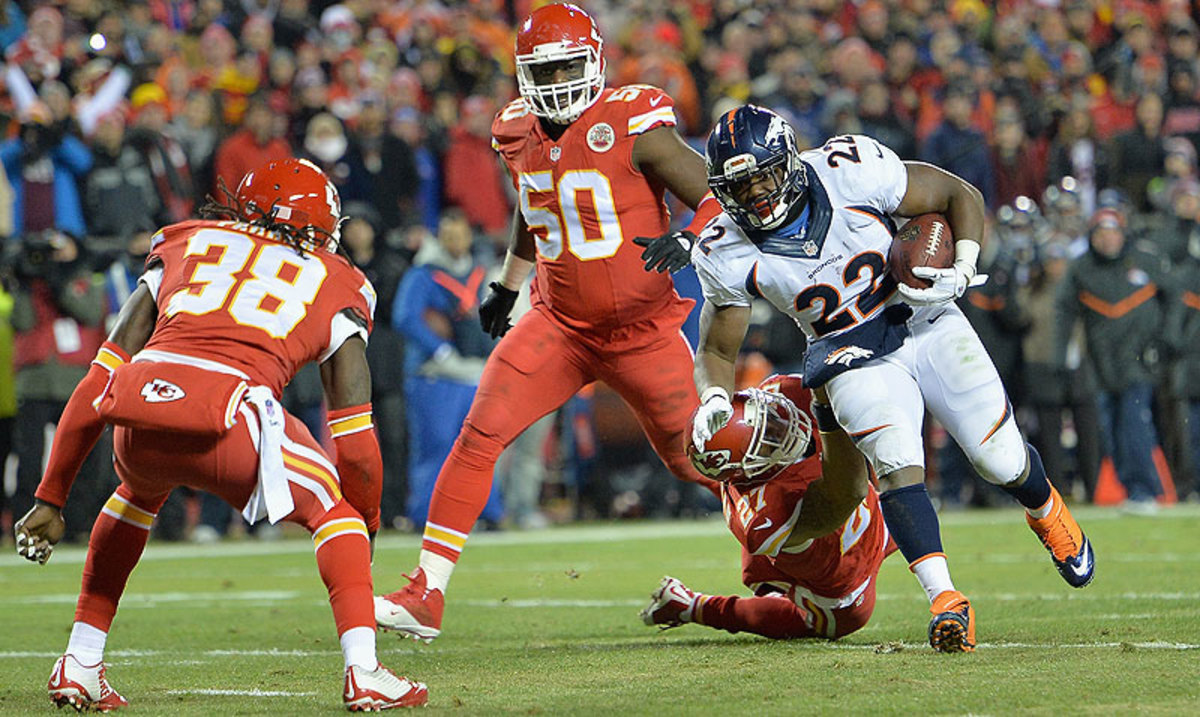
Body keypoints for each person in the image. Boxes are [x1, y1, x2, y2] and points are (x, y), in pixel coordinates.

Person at [13, 158, 427, 711]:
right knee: (337, 512)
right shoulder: (337, 280)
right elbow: (353, 436)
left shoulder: (187, 242)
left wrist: (50, 496)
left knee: (136, 492)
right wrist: (366, 524)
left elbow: (100, 377)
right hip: (231, 418)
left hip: (140, 413)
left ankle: (80, 662)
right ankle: (365, 670)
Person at [374, 3, 724, 641]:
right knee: (480, 433)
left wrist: (693, 237)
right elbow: (533, 205)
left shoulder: (633, 120)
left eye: (567, 63)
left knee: (698, 459)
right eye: (544, 67)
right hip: (558, 323)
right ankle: (426, 592)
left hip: (643, 330)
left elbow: (712, 191)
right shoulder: (514, 129)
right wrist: (508, 284)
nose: (557, 78)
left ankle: (802, 525)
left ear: (593, 60)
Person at [689, 105, 1095, 653]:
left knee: (997, 457)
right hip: (848, 353)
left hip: (921, 318)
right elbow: (717, 345)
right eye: (739, 185)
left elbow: (960, 195)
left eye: (762, 174)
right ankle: (945, 600)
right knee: (896, 463)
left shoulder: (847, 168)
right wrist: (713, 396)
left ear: (786, 160)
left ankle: (1045, 508)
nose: (756, 194)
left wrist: (962, 266)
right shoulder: (726, 248)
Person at [641, 374, 901, 643]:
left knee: (915, 512)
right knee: (838, 621)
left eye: (768, 419)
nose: (780, 427)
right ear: (749, 470)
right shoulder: (766, 514)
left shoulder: (781, 392)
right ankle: (694, 606)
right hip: (837, 570)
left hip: (872, 517)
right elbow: (846, 490)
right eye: (765, 439)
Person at [1055, 208, 1171, 514]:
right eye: (1101, 234)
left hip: (1140, 359)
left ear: (1123, 234)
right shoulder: (1082, 269)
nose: (1108, 240)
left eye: (1113, 233)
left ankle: (1143, 490)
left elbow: (1171, 298)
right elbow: (1063, 310)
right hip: (1101, 361)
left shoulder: (1144, 260)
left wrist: (1164, 344)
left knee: (1134, 425)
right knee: (1109, 428)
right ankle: (1131, 488)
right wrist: (1060, 354)